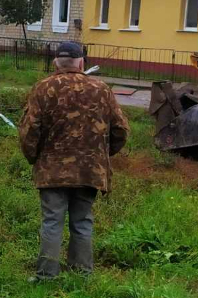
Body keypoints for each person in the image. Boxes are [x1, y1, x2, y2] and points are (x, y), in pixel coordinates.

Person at [18, 41, 130, 280]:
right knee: (82, 221)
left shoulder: (43, 88)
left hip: (52, 171)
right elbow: (120, 129)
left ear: (55, 62)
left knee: (52, 221)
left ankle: (47, 275)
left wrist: (34, 157)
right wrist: (102, 155)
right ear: (81, 62)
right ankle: (82, 274)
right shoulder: (101, 89)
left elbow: (29, 130)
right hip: (89, 171)